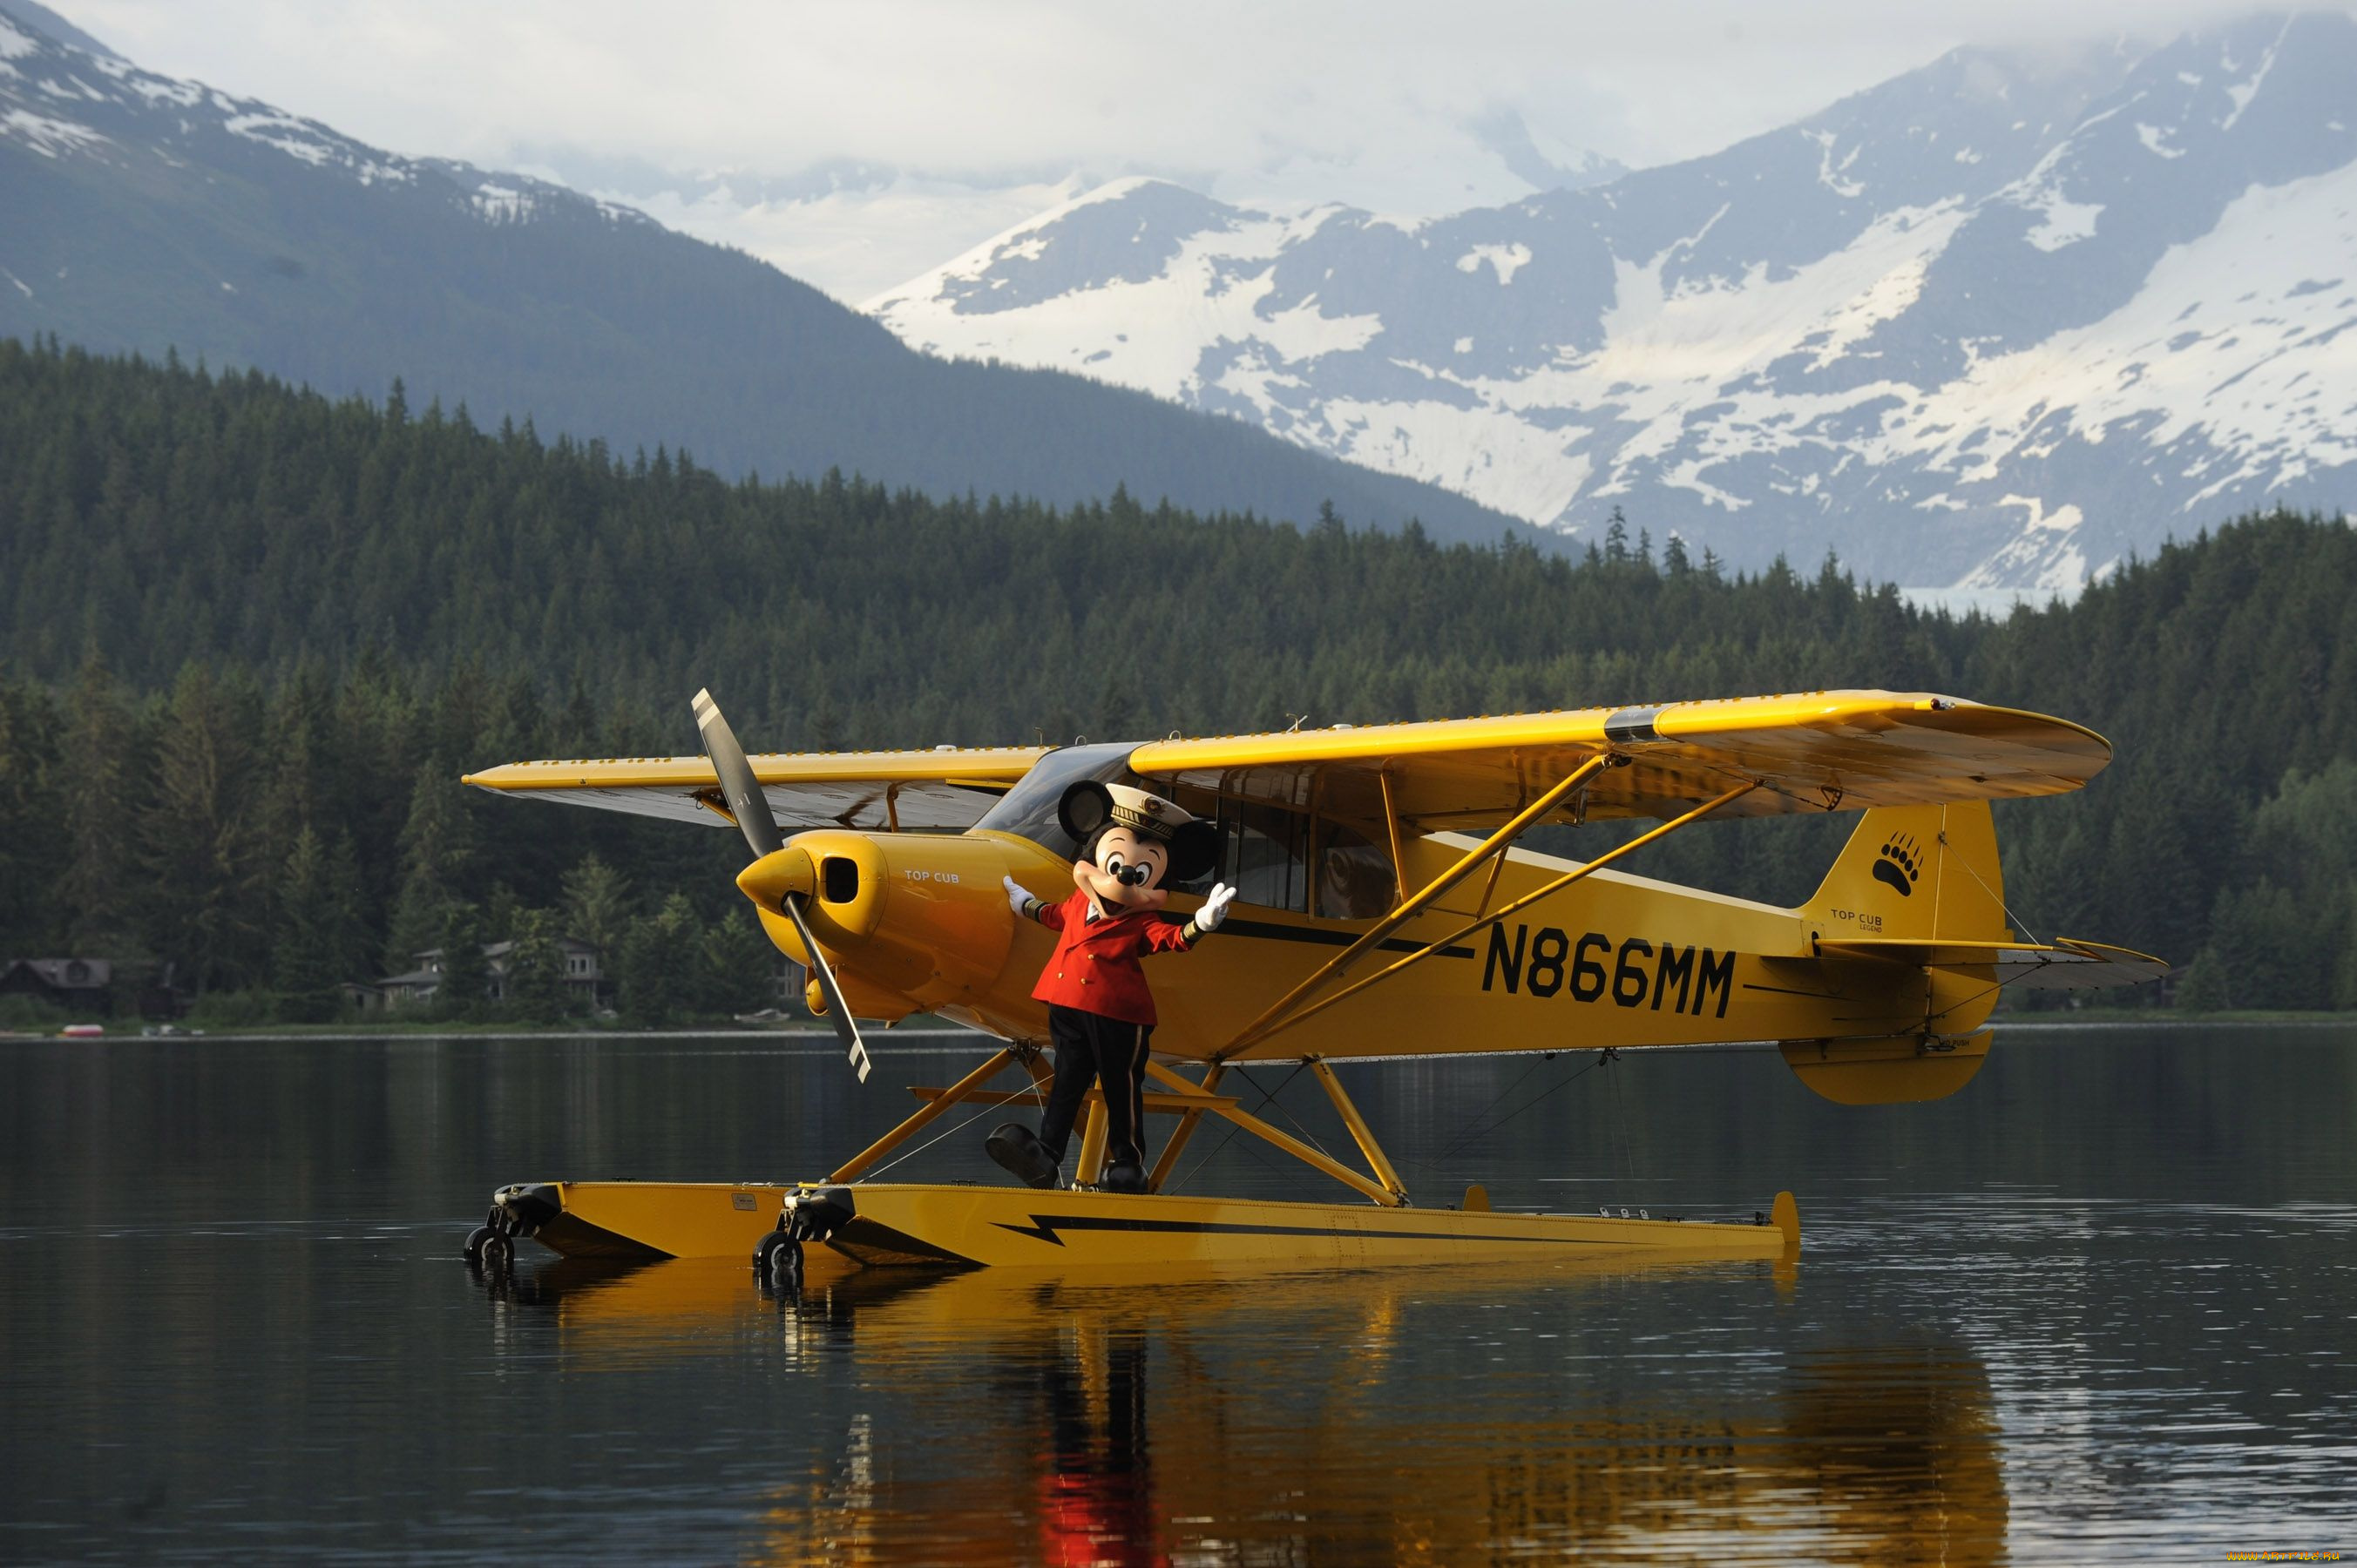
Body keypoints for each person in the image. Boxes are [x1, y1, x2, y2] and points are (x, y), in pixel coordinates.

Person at [987, 781, 1236, 1194]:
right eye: (1115, 863)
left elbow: (1168, 939)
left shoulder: (1140, 921)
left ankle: (1127, 1163)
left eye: (1139, 873)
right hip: (1066, 1004)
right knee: (1067, 1080)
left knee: (1121, 1088)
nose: (1122, 877)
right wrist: (1023, 902)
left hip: (1118, 1015)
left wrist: (1200, 925)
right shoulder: (1078, 902)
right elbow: (1052, 915)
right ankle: (1046, 1154)